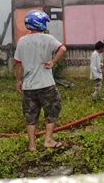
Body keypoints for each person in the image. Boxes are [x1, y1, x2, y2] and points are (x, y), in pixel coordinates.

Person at [14, 9, 67, 152]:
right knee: (52, 110)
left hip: (28, 86)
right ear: (41, 23)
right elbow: (62, 48)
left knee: (30, 115)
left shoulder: (22, 41)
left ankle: (32, 145)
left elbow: (18, 64)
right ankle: (48, 140)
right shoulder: (47, 38)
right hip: (46, 84)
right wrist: (53, 62)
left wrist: (18, 81)